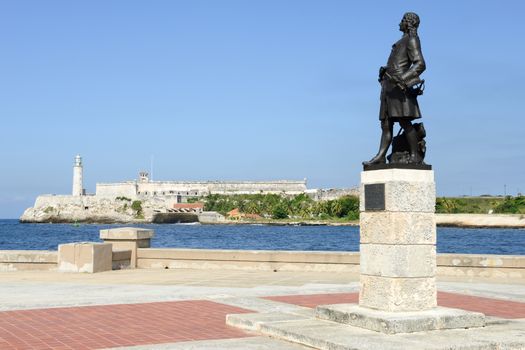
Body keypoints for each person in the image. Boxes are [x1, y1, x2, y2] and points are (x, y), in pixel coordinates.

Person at [363, 12, 426, 166]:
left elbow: (420, 64)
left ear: (408, 23)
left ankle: (415, 156)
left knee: (405, 122)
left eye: (402, 20)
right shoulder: (401, 41)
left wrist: (404, 79)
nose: (399, 22)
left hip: (400, 88)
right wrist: (385, 71)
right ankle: (381, 156)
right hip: (388, 87)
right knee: (386, 123)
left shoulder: (412, 40)